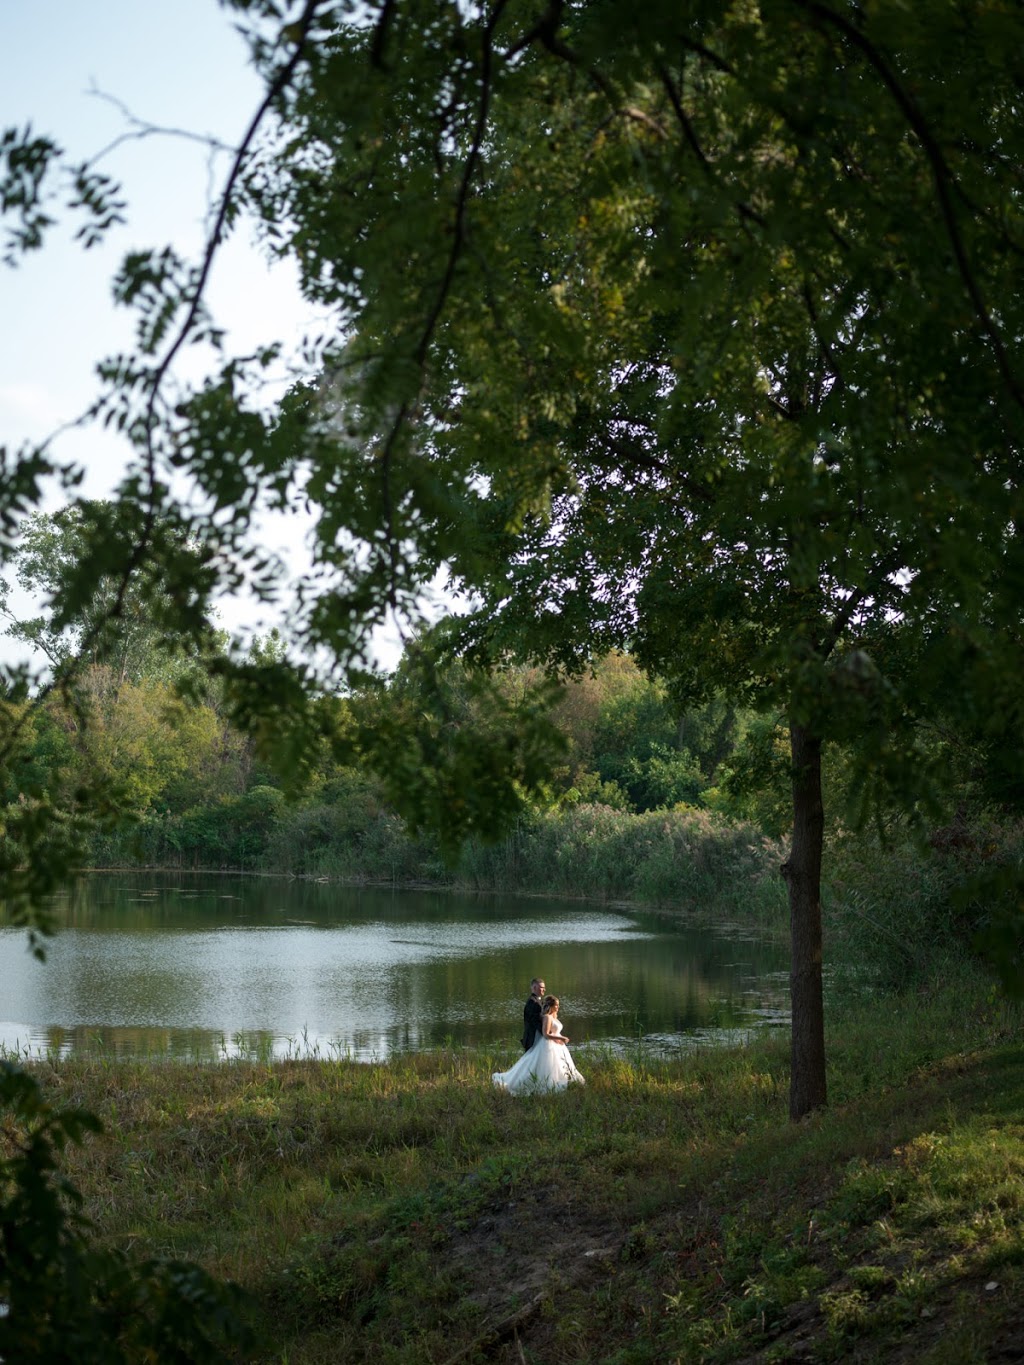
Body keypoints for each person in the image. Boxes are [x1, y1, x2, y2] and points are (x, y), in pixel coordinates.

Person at [493, 994, 585, 1094]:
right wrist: (561, 1038)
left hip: (557, 1046)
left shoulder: (553, 1017)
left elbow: (552, 1032)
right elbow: (545, 1034)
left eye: (558, 1005)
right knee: (545, 1066)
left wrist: (558, 1039)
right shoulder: (547, 1017)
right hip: (548, 1046)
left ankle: (561, 1081)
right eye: (556, 1005)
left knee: (559, 1066)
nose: (558, 1007)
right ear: (551, 1006)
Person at [522, 977, 545, 1052]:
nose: (544, 990)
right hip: (533, 1039)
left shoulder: (538, 1000)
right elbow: (535, 1022)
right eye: (541, 987)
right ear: (535, 988)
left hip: (536, 1038)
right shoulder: (533, 1002)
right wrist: (547, 1034)